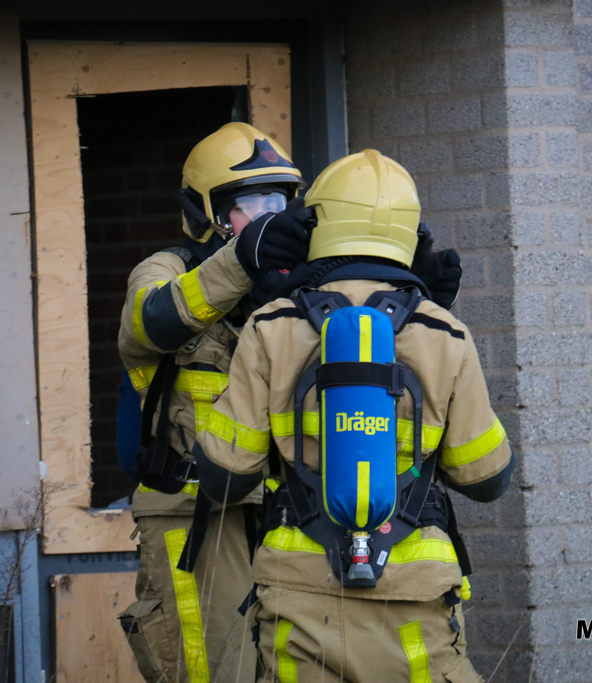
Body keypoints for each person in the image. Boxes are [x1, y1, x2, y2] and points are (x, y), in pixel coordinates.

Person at [194, 149, 515, 683]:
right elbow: (487, 478)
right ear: (410, 234)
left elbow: (226, 473)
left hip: (299, 596)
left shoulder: (271, 324)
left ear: (318, 225)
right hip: (414, 593)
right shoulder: (445, 332)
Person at [116, 122, 312, 683]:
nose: (268, 217)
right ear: (208, 213)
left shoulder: (292, 289)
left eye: (277, 202)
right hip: (194, 519)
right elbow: (150, 322)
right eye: (250, 205)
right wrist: (242, 261)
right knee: (214, 672)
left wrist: (412, 288)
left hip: (287, 514)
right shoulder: (165, 270)